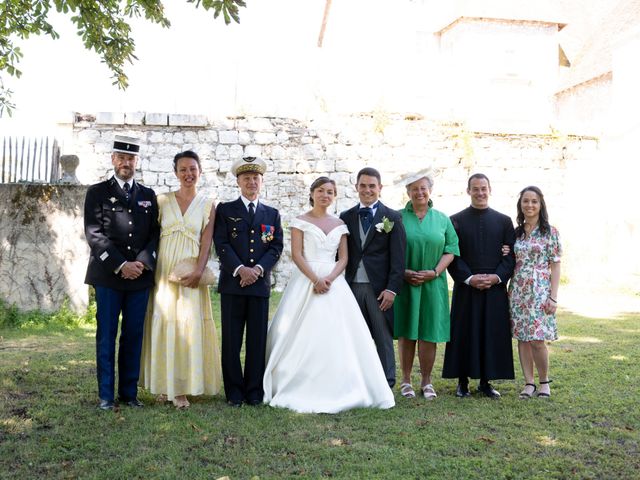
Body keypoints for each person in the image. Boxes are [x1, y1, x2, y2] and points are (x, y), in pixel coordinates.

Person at [263, 177, 395, 413]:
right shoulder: (300, 221)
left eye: (330, 192)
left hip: (334, 282)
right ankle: (294, 380)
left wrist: (330, 279)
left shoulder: (340, 224)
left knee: (340, 334)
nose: (326, 195)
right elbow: (296, 254)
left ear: (335, 195)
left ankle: (344, 383)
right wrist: (315, 279)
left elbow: (343, 258)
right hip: (307, 279)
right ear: (312, 193)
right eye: (321, 191)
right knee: (300, 332)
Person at [140, 151, 222, 409]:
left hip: (191, 272)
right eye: (183, 169)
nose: (188, 174)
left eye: (192, 169)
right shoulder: (161, 201)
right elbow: (150, 235)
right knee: (164, 323)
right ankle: (164, 385)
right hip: (165, 271)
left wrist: (199, 269)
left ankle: (183, 387)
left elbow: (206, 241)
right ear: (175, 173)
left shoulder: (209, 205)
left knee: (188, 326)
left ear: (200, 171)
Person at [84, 135, 160, 410]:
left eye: (131, 159)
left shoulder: (148, 196)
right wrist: (120, 264)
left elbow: (154, 234)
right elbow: (94, 234)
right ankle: (106, 395)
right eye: (122, 158)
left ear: (136, 162)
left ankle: (128, 393)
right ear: (113, 159)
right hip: (107, 276)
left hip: (139, 277)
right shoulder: (97, 193)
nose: (126, 163)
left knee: (133, 334)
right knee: (107, 335)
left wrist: (140, 262)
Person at [213, 157, 284, 407]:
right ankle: (234, 391)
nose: (251, 182)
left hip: (259, 285)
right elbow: (220, 243)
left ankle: (254, 390)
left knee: (256, 341)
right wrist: (241, 269)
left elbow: (276, 247)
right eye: (246, 179)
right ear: (238, 182)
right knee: (231, 340)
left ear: (261, 181)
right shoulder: (225, 210)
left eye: (255, 178)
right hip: (233, 284)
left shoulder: (272, 214)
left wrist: (258, 269)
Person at [443, 173, 515, 398]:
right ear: (468, 191)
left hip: (494, 288)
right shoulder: (455, 220)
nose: (480, 193)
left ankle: (486, 381)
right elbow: (452, 254)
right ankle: (462, 381)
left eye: (484, 188)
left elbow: (511, 256)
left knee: (490, 333)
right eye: (476, 189)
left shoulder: (504, 221)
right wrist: (469, 278)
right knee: (464, 332)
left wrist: (496, 278)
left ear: (490, 189)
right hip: (467, 287)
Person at [393, 171, 459, 400]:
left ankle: (427, 381)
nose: (419, 192)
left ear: (430, 190)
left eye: (423, 188)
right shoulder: (397, 217)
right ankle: (405, 380)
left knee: (429, 333)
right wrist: (403, 272)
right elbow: (388, 250)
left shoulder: (442, 219)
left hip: (433, 284)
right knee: (407, 332)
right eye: (414, 189)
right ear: (408, 192)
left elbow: (451, 248)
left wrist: (435, 272)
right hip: (407, 283)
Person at [339, 167, 406, 388]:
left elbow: (398, 259)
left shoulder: (393, 217)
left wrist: (392, 289)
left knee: (382, 335)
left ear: (380, 188)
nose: (367, 190)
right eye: (363, 186)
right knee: (354, 335)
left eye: (372, 186)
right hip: (351, 286)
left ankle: (387, 381)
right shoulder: (345, 217)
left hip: (379, 288)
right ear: (356, 187)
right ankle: (356, 378)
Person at [508, 186, 561, 399]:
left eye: (534, 201)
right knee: (522, 338)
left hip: (540, 291)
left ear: (541, 205)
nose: (529, 205)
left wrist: (553, 296)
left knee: (538, 339)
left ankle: (544, 382)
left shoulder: (551, 232)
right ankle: (528, 383)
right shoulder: (516, 233)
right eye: (526, 201)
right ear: (521, 205)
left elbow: (555, 266)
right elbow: (509, 259)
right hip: (518, 290)